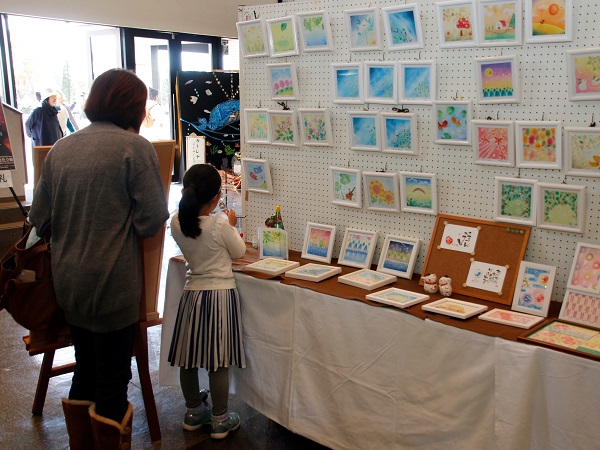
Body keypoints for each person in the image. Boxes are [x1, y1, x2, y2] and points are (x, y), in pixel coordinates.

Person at [27, 68, 169, 449]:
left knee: (86, 368)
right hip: (113, 283)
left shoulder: (62, 149)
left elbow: (38, 218)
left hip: (68, 282)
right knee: (112, 377)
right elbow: (152, 219)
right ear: (133, 107)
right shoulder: (133, 148)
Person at [168, 163, 246, 440]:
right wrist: (232, 224)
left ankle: (193, 412)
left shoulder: (176, 221)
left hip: (192, 295)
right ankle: (221, 419)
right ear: (216, 198)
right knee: (218, 361)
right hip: (220, 296)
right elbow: (239, 251)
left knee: (188, 359)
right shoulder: (219, 224)